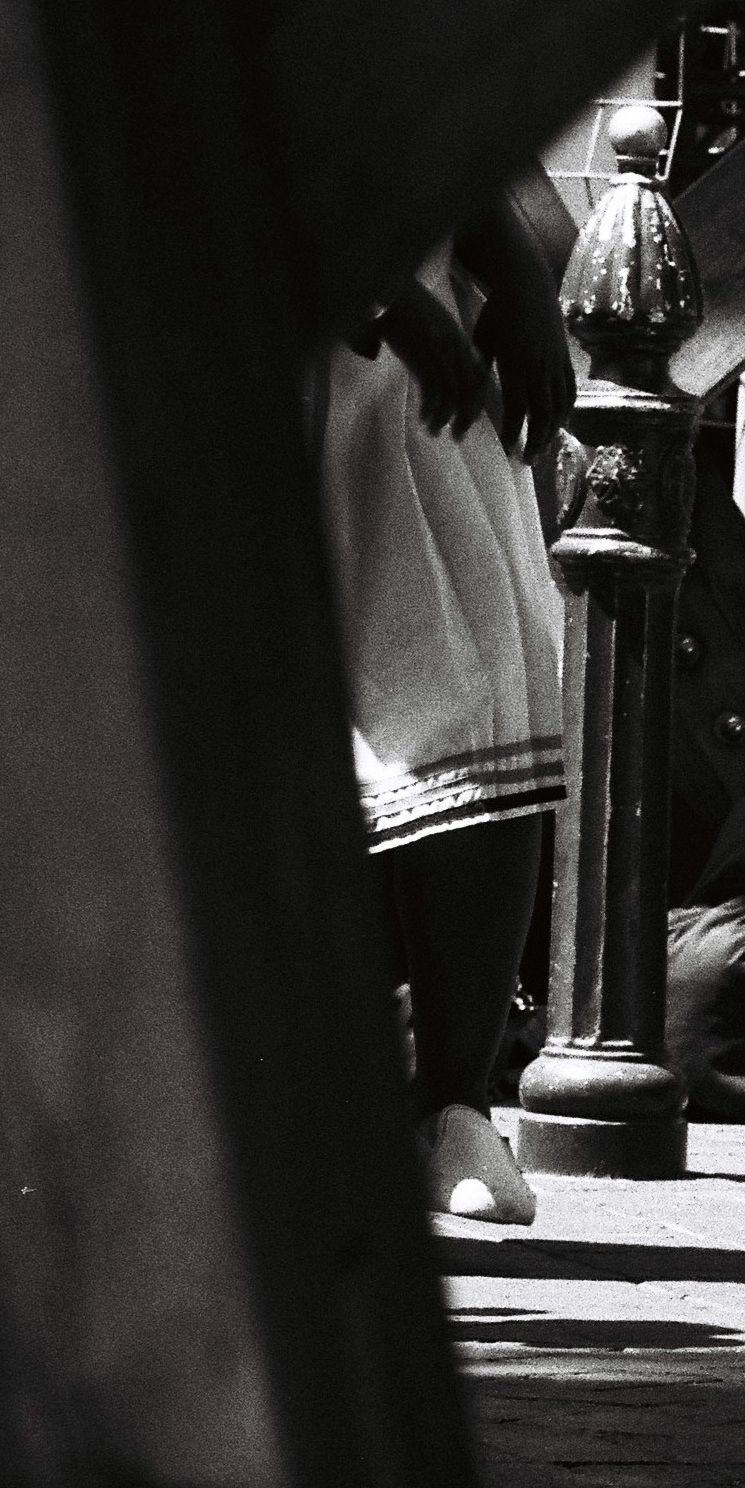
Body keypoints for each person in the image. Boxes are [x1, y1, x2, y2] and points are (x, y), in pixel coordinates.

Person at [317, 169, 577, 1227]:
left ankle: (456, 1104)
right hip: (251, 318)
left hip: (407, 352)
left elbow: (408, 80)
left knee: (479, 691)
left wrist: (512, 265)